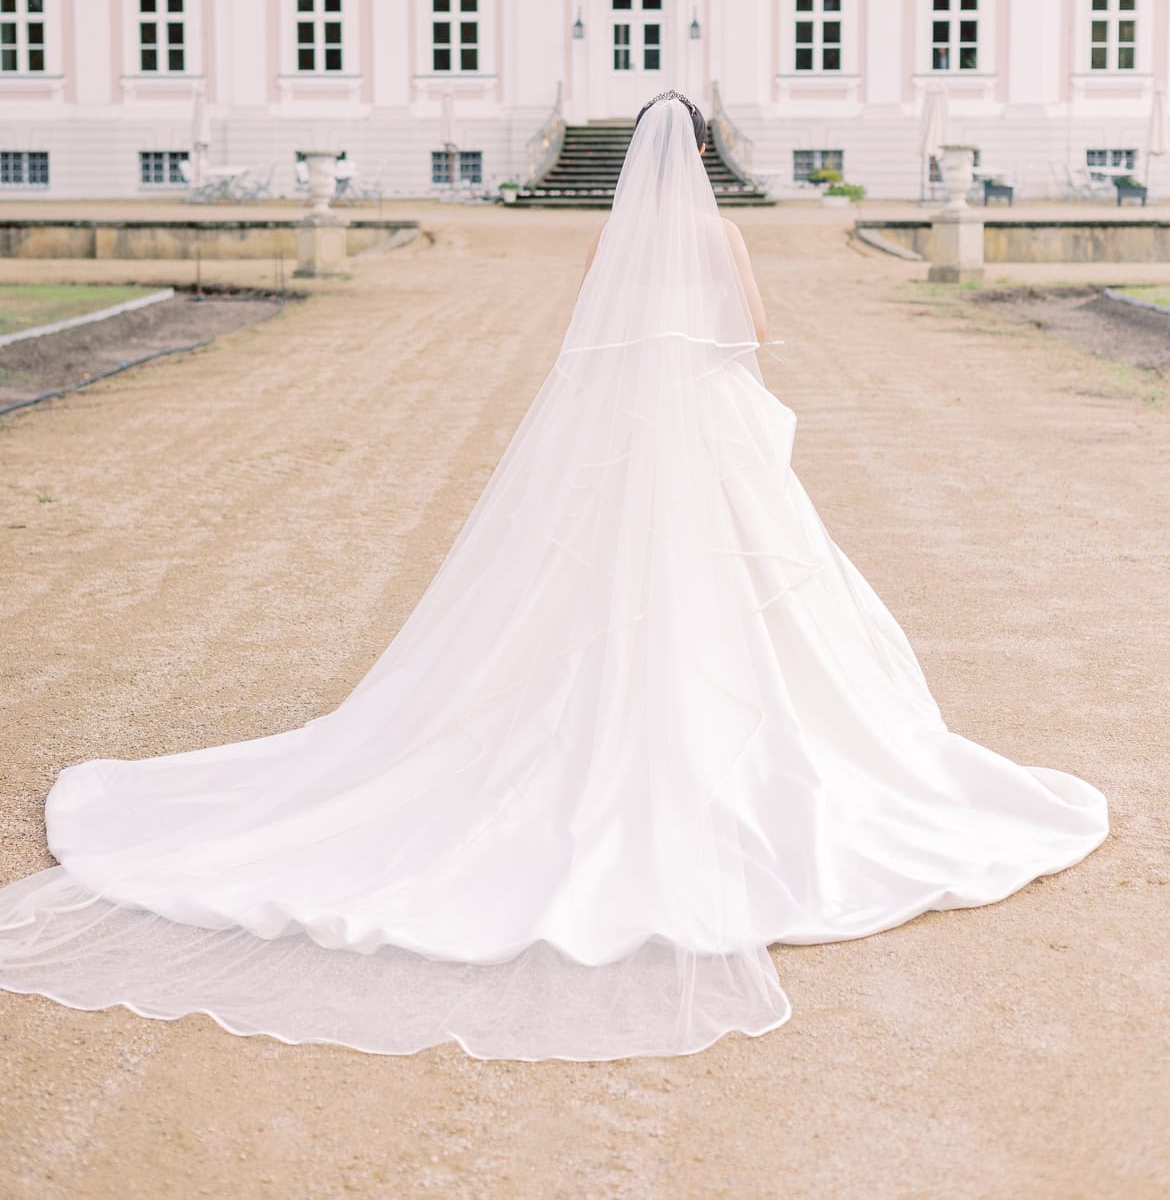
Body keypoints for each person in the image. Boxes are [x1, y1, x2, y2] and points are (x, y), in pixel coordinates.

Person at [0, 93, 1107, 1062]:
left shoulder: (608, 244)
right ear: (706, 160)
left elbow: (588, 346)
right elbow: (753, 339)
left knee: (589, 594)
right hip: (711, 430)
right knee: (760, 597)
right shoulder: (725, 236)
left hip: (628, 432)